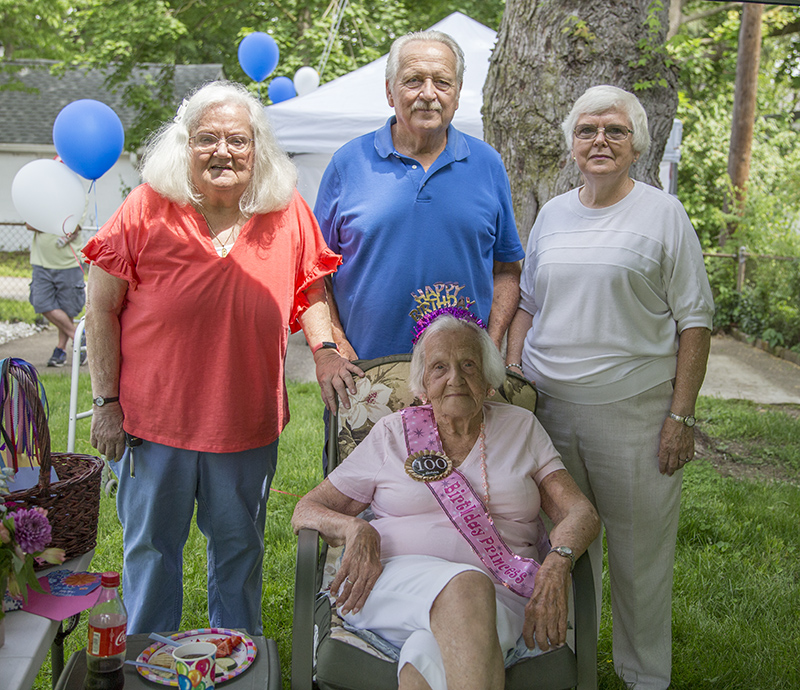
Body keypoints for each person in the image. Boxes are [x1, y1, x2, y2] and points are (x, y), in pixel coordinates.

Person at [82, 80, 363, 635]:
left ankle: (235, 655)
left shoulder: (285, 212)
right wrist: (106, 403)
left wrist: (327, 349)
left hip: (245, 423)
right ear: (184, 147)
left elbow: (309, 290)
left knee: (238, 554)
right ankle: (144, 657)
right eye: (207, 138)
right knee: (151, 553)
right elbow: (99, 308)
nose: (223, 151)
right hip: (153, 423)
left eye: (238, 139)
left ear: (257, 149)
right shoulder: (145, 209)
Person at [505, 85, 715, 690]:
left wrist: (680, 416)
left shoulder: (663, 214)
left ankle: (643, 676)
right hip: (549, 414)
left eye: (615, 131)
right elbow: (529, 305)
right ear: (572, 143)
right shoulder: (552, 214)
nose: (600, 140)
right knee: (559, 549)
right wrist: (516, 373)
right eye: (588, 129)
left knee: (638, 560)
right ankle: (565, 670)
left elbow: (694, 321)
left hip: (636, 415)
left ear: (636, 144)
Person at [293, 312, 600, 690]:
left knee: (427, 658)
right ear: (423, 384)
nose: (455, 378)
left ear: (488, 379)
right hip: (395, 585)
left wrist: (557, 564)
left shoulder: (522, 428)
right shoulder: (392, 433)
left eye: (468, 365)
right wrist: (354, 527)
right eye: (440, 367)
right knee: (466, 587)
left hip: (503, 594)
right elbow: (306, 509)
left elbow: (579, 511)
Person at [314, 30, 525, 361]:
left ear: (456, 94)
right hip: (365, 375)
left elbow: (508, 269)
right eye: (413, 81)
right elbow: (315, 274)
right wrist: (338, 346)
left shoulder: (488, 165)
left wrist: (492, 344)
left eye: (442, 82)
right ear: (389, 92)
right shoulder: (347, 163)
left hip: (463, 379)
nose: (429, 94)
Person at [27, 222, 86, 367]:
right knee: (40, 301)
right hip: (40, 261)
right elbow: (29, 224)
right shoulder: (39, 199)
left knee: (68, 309)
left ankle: (60, 350)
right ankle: (78, 337)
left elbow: (73, 226)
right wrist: (58, 226)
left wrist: (44, 224)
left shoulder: (79, 199)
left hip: (69, 261)